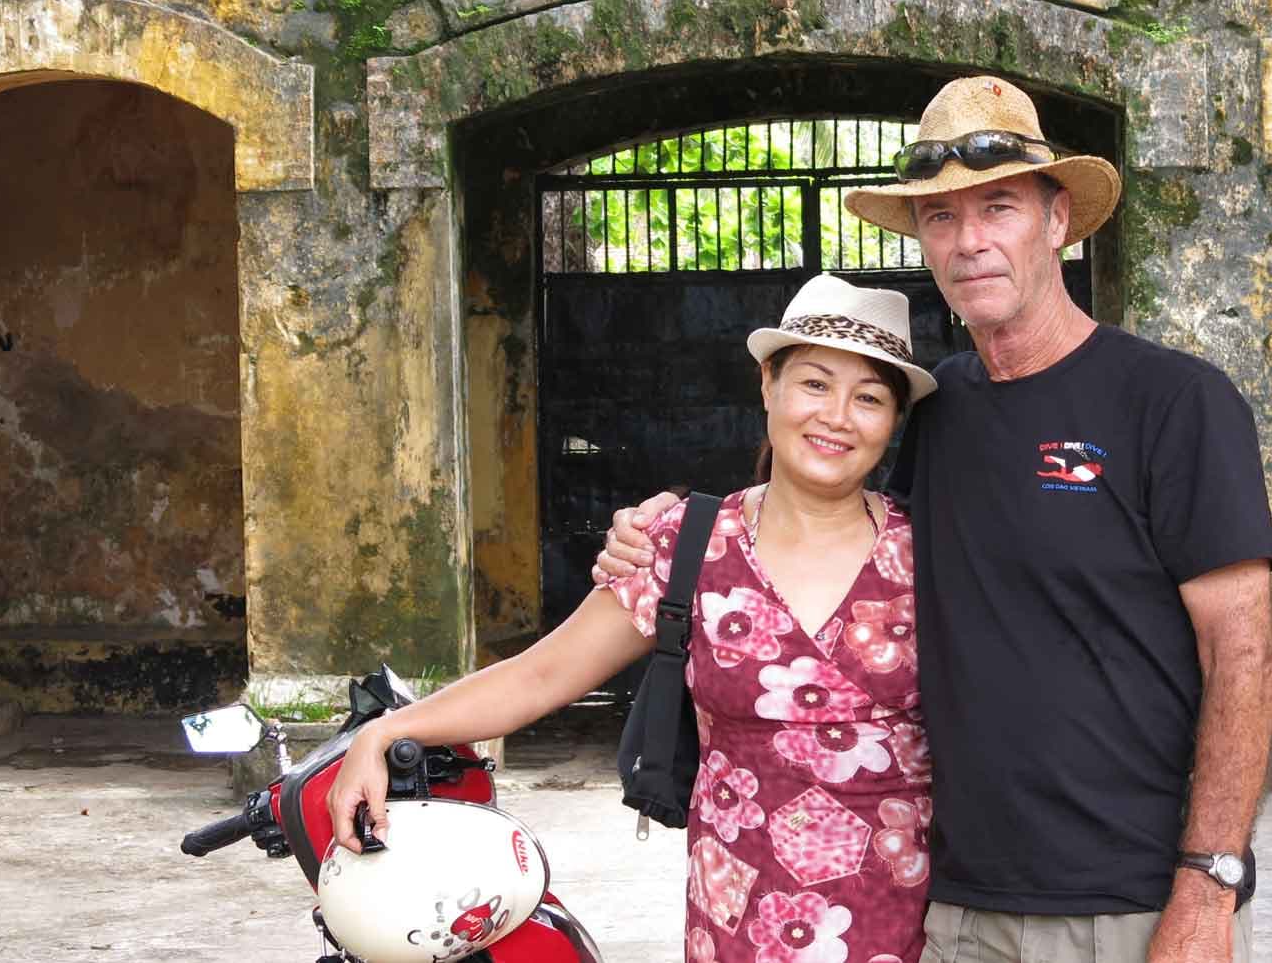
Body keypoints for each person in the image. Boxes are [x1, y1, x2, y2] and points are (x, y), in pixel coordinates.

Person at [600, 77, 1272, 963]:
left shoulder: (1175, 402)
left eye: (997, 208)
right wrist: (673, 526)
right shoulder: (942, 409)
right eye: (941, 218)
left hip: (1130, 904)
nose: (970, 242)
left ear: (1058, 220)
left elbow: (1247, 656)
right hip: (953, 907)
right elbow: (830, 514)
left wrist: (1208, 883)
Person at [323, 273, 942, 963]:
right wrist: (385, 731)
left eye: (870, 399)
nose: (837, 417)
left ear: (893, 423)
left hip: (906, 917)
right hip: (740, 918)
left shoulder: (932, 554)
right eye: (816, 384)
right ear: (768, 386)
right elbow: (543, 674)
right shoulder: (687, 543)